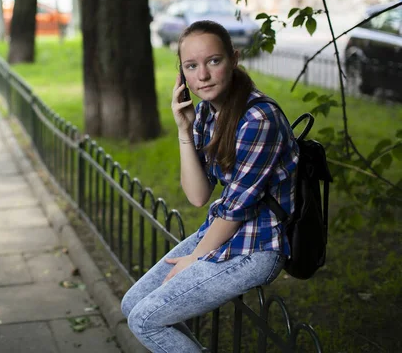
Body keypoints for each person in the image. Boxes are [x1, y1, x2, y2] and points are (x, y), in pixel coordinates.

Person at [120, 20, 299, 352]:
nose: (202, 75)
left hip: (257, 247)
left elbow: (236, 210)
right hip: (222, 235)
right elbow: (199, 195)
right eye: (191, 65)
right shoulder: (205, 113)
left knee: (146, 320)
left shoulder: (259, 121)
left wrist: (197, 258)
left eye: (213, 61)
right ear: (182, 74)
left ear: (233, 59)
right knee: (133, 306)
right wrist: (184, 130)